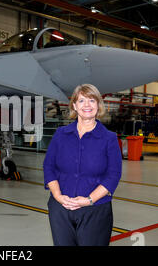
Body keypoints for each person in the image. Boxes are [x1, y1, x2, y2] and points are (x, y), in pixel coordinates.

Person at [43, 83, 122, 246]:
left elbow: (113, 175)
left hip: (95, 210)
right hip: (60, 209)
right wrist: (58, 196)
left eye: (92, 100)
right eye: (81, 101)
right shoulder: (61, 134)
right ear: (74, 106)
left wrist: (89, 200)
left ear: (99, 105)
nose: (87, 105)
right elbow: (48, 167)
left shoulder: (109, 138)